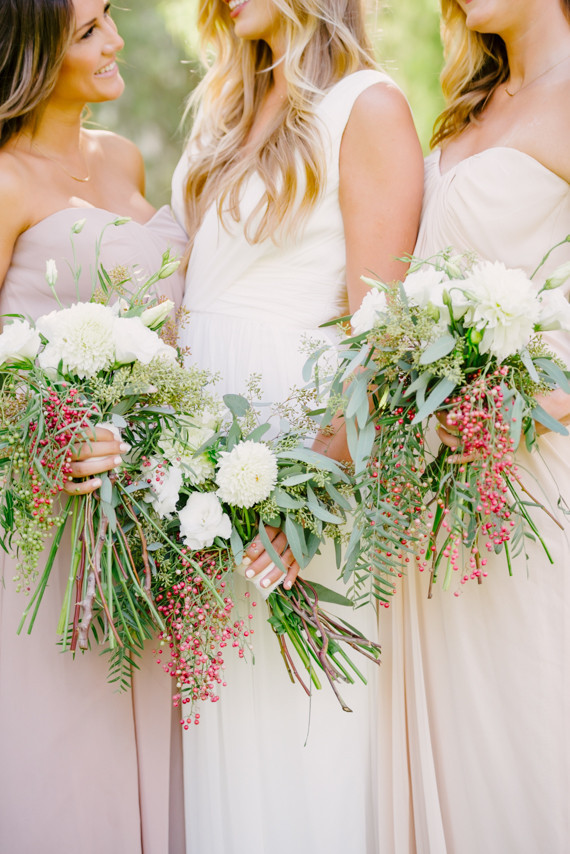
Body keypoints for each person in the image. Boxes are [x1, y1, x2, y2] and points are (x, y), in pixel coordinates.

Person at [170, 0, 424, 850]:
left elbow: (380, 334)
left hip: (298, 470)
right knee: (221, 742)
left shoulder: (369, 106)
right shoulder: (224, 109)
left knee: (299, 743)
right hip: (197, 479)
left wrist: (302, 493)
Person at [380, 1, 570, 852]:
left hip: (526, 485)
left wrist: (541, 399)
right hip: (434, 495)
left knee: (530, 739)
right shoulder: (463, 107)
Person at [0, 1, 187, 852]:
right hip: (48, 523)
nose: (113, 41)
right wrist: (53, 432)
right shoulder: (5, 181)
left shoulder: (122, 156)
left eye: (110, 17)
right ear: (31, 52)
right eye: (87, 31)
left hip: (145, 519)